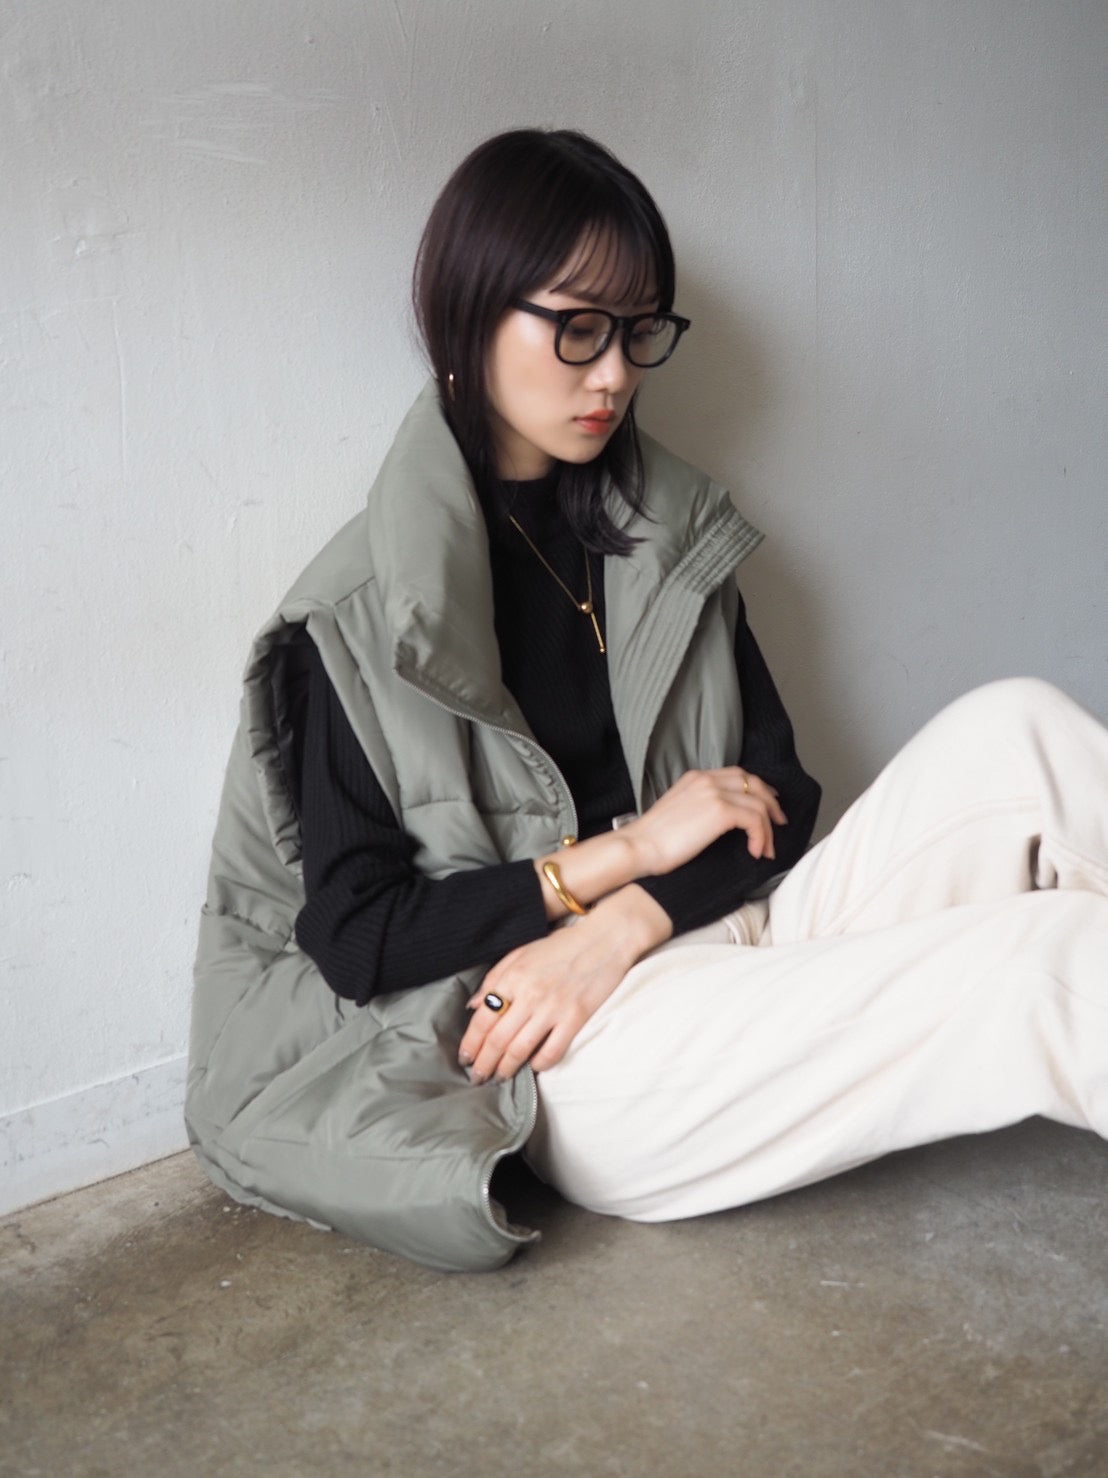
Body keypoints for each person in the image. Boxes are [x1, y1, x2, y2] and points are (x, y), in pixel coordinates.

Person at [186, 128, 1108, 1273]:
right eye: (577, 327)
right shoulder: (357, 614)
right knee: (1038, 961)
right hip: (580, 1051)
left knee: (1021, 729)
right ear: (468, 315)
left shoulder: (662, 531)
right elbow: (356, 935)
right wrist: (621, 858)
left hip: (727, 928)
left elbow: (779, 794)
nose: (614, 371)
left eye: (635, 331)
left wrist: (627, 917)